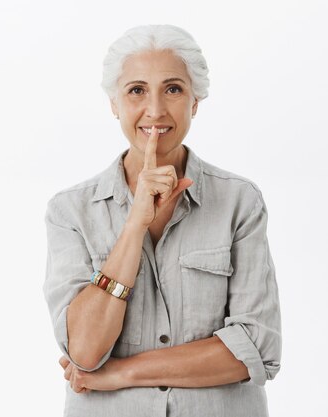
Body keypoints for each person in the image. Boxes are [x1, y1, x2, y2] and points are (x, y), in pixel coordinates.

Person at [42, 24, 282, 417]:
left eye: (173, 89)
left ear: (195, 102)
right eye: (136, 90)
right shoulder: (70, 211)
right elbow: (84, 351)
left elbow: (256, 349)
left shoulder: (240, 201)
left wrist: (120, 374)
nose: (155, 110)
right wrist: (134, 226)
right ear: (114, 103)